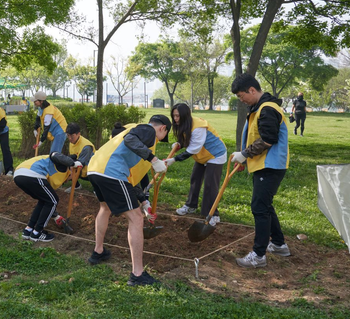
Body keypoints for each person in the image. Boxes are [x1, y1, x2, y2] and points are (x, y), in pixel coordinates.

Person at [86, 115, 171, 287]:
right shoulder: (148, 130)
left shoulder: (132, 136)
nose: (160, 140)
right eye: (164, 135)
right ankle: (137, 274)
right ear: (162, 128)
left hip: (95, 169)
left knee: (105, 208)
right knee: (136, 218)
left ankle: (98, 252)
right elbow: (130, 139)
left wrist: (144, 202)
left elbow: (135, 180)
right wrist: (154, 160)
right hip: (111, 172)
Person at [231, 73, 291, 268]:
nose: (241, 100)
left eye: (241, 96)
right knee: (265, 205)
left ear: (252, 90)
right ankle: (279, 245)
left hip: (270, 166)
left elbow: (268, 139)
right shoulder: (258, 108)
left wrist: (245, 154)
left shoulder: (267, 109)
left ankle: (258, 256)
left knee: (259, 207)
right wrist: (243, 157)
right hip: (263, 165)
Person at [169, 103, 227, 226]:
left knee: (210, 185)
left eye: (178, 116)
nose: (175, 119)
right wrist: (179, 144)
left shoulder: (198, 126)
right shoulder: (184, 125)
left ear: (185, 115)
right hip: (202, 156)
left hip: (215, 154)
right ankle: (191, 205)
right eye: (174, 116)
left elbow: (193, 149)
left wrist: (174, 159)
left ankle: (212, 214)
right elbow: (187, 139)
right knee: (195, 179)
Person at [14, 152, 84, 242]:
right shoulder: (63, 165)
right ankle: (37, 232)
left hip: (19, 175)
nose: (68, 180)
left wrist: (55, 216)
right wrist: (72, 163)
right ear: (71, 170)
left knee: (44, 200)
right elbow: (54, 154)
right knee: (54, 200)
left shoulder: (57, 175)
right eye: (71, 178)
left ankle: (28, 230)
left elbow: (47, 202)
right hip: (32, 173)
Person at [63, 122, 95, 193]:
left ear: (78, 134)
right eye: (68, 135)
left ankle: (97, 189)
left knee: (95, 178)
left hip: (89, 171)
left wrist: (69, 176)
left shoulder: (86, 147)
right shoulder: (72, 142)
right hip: (79, 166)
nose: (70, 138)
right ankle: (76, 186)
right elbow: (73, 157)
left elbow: (81, 164)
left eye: (72, 136)